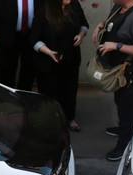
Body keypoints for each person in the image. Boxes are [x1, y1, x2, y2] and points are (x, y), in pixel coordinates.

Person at [92, 0, 133, 161]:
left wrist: (116, 46)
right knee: (120, 100)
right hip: (120, 70)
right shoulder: (120, 7)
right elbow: (115, 23)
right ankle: (122, 128)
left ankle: (125, 146)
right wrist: (101, 25)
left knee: (129, 106)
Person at [29, 0, 88, 131]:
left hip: (71, 58)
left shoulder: (74, 6)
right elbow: (34, 39)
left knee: (70, 89)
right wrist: (49, 52)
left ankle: (70, 118)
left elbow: (84, 25)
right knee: (49, 90)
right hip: (49, 59)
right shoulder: (42, 12)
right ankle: (50, 120)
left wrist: (80, 35)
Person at [0, 0, 44, 90]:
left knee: (29, 68)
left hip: (33, 34)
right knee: (6, 69)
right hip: (7, 31)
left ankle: (24, 97)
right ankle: (6, 98)